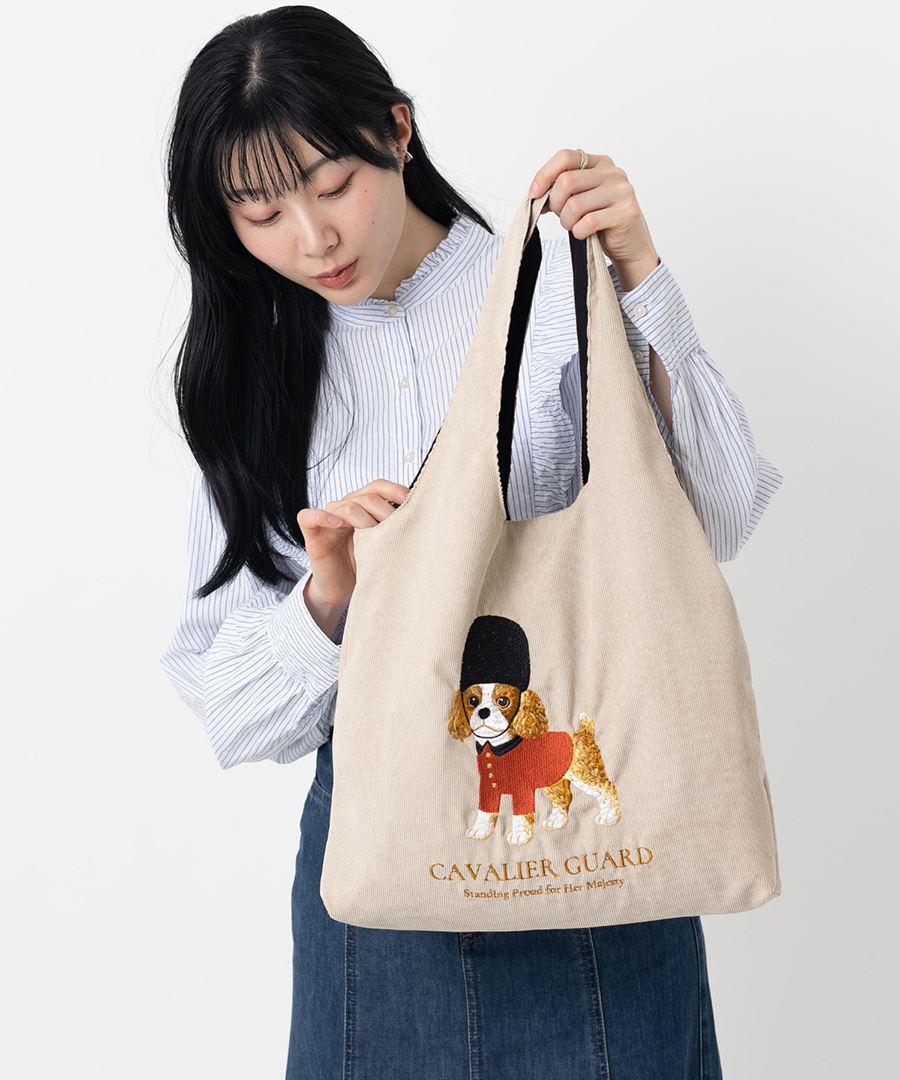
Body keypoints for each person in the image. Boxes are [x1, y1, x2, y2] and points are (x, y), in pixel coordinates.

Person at [159, 7, 783, 1078]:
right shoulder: (251, 377)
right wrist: (331, 601)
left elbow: (724, 517)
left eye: (330, 186)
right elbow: (230, 712)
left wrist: (641, 277)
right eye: (261, 213)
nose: (312, 239)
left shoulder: (555, 296)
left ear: (396, 132)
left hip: (591, 836)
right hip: (382, 878)